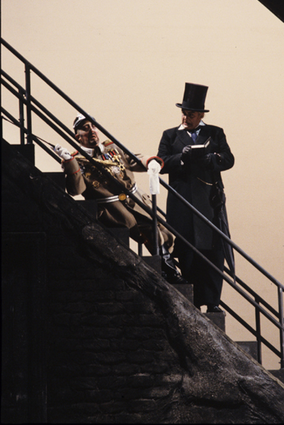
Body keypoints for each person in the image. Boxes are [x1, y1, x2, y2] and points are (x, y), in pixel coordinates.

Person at [54, 113, 187, 284]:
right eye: (85, 128)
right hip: (113, 209)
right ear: (77, 135)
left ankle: (168, 271)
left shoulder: (111, 148)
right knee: (151, 231)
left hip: (135, 200)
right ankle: (170, 273)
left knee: (166, 234)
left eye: (93, 126)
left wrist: (150, 162)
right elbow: (76, 189)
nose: (92, 131)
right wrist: (69, 162)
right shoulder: (78, 160)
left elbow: (133, 158)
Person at [157, 83, 235, 312]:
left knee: (212, 253)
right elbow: (161, 163)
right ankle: (190, 301)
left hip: (209, 203)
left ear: (200, 114)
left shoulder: (215, 133)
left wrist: (208, 159)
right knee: (186, 252)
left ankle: (211, 303)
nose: (186, 117)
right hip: (182, 203)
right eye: (183, 113)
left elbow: (228, 159)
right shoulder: (170, 135)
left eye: (190, 114)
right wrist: (182, 157)